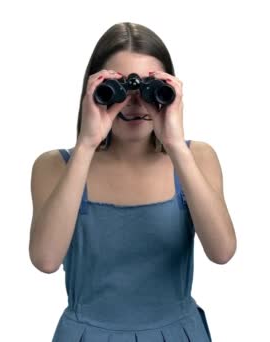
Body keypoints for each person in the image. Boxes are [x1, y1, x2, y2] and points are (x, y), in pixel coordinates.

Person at [29, 22, 236, 341]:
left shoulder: (198, 158)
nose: (136, 104)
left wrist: (175, 144)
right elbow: (45, 259)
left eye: (151, 89)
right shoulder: (55, 166)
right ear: (93, 91)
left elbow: (222, 252)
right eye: (120, 88)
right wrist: (86, 144)